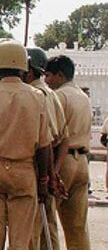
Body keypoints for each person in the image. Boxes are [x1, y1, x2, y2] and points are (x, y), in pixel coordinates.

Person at [0, 39, 52, 249]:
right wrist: (43, 180)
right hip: (24, 171)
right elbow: (44, 145)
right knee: (21, 238)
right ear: (24, 68)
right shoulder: (37, 98)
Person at [45, 55, 93, 249]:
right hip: (82, 161)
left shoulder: (58, 96)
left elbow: (54, 134)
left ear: (60, 75)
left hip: (63, 161)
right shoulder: (83, 97)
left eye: (49, 75)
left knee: (47, 221)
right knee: (77, 226)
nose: (46, 80)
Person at [24, 47, 68, 250]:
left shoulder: (37, 95)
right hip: (46, 169)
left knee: (32, 231)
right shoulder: (51, 93)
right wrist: (54, 174)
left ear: (29, 70)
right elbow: (63, 138)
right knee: (48, 229)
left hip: (36, 168)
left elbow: (46, 142)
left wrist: (46, 177)